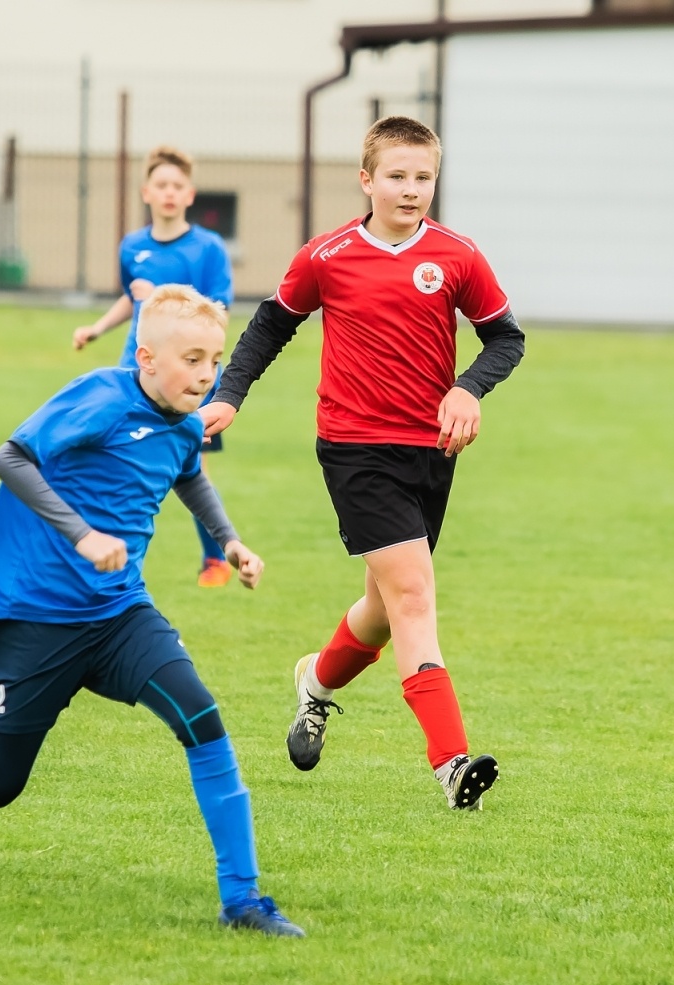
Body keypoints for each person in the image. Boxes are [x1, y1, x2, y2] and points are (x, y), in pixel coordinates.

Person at [0, 284, 300, 937]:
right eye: (193, 360)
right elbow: (10, 457)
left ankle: (243, 899)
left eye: (214, 359)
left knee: (202, 719)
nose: (207, 374)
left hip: (120, 616)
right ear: (146, 357)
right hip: (36, 616)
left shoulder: (183, 420)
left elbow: (185, 472)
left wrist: (229, 541)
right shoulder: (102, 397)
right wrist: (82, 534)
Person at [202, 116, 525, 810]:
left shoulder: (457, 256)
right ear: (367, 180)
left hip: (431, 451)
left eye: (424, 177)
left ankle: (316, 683)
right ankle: (451, 763)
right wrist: (229, 394)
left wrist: (467, 387)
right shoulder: (328, 256)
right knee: (413, 595)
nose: (412, 190)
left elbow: (505, 339)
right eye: (398, 176)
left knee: (382, 607)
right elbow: (270, 325)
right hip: (354, 447)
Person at [73, 145, 243, 585]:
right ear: (147, 192)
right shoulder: (132, 245)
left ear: (190, 195)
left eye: (177, 186)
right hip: (136, 370)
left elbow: (216, 311)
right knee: (118, 459)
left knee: (191, 468)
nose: (169, 193)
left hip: (188, 378)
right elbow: (134, 297)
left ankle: (216, 559)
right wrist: (97, 327)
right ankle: (105, 552)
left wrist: (160, 294)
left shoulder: (208, 248)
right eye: (161, 185)